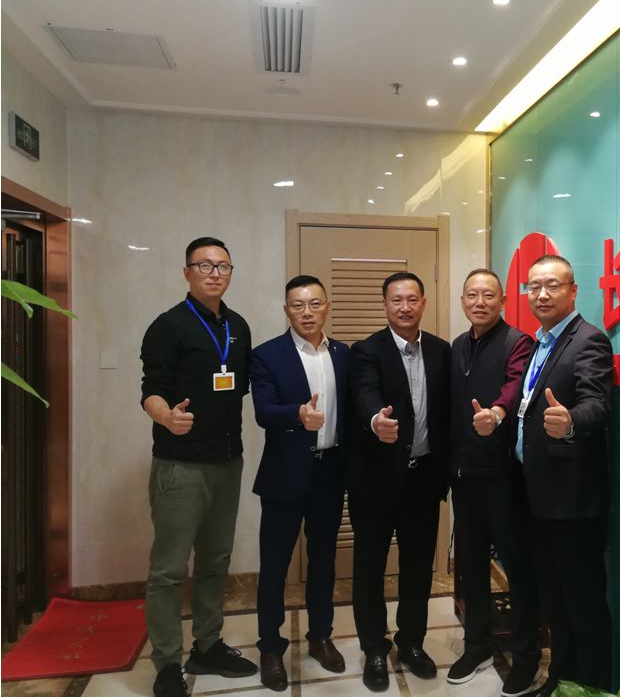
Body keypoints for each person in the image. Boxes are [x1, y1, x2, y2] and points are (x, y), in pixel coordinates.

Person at [140, 237, 256, 697]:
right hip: (180, 464)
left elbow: (238, 386)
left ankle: (207, 645)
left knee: (215, 560)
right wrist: (166, 416)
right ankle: (167, 663)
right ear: (186, 271)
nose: (214, 273)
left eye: (223, 266)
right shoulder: (168, 326)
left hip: (227, 460)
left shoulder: (238, 326)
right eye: (204, 265)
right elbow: (151, 390)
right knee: (168, 570)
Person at [514, 254, 614, 695]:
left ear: (573, 291)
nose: (541, 294)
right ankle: (561, 679)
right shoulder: (541, 342)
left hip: (573, 501)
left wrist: (571, 421)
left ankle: (590, 687)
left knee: (583, 604)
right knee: (555, 600)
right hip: (539, 495)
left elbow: (598, 403)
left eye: (552, 285)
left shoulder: (588, 340)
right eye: (533, 286)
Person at [348, 271, 451, 692]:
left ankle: (411, 642)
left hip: (423, 479)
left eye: (412, 299)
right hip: (375, 481)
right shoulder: (366, 350)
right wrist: (376, 420)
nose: (404, 307)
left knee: (418, 568)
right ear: (385, 305)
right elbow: (364, 394)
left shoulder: (442, 351)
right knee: (369, 568)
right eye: (396, 300)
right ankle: (375, 647)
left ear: (423, 302)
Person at [250, 275, 349, 691]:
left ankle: (320, 635)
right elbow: (263, 411)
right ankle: (271, 647)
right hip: (284, 474)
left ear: (327, 307)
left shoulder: (344, 354)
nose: (307, 313)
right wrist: (297, 414)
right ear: (286, 310)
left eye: (314, 304)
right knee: (274, 565)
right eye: (298, 305)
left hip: (330, 472)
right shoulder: (266, 355)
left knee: (324, 560)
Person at [448, 269, 542, 696]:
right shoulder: (458, 345)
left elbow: (515, 385)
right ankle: (477, 646)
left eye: (489, 295)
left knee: (517, 568)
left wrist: (498, 413)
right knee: (470, 565)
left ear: (503, 300)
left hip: (504, 477)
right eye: (472, 295)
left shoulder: (518, 343)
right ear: (462, 301)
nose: (480, 302)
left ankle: (525, 657)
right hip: (464, 476)